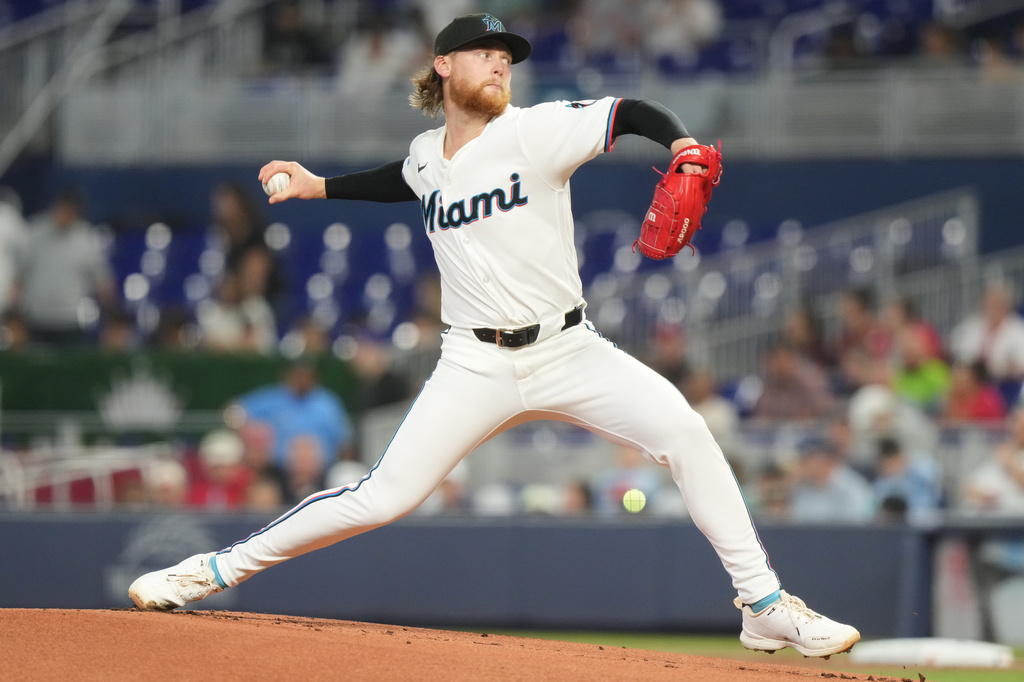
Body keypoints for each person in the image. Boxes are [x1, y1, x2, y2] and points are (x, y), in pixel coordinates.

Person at [129, 13, 860, 658]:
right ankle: (209, 572)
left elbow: (631, 111)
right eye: (484, 52)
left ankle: (764, 608)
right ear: (444, 66)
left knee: (687, 432)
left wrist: (683, 145)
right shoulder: (426, 155)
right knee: (382, 498)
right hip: (472, 362)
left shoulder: (536, 129)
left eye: (506, 55)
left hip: (569, 349)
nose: (500, 63)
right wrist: (319, 185)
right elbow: (404, 178)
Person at [12, 187, 116, 347]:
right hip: (37, 318)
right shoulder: (34, 233)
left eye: (70, 211)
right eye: (62, 209)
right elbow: (19, 277)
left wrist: (110, 315)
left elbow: (102, 282)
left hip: (71, 320)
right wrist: (14, 312)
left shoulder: (86, 239)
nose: (65, 215)